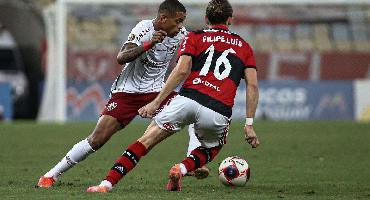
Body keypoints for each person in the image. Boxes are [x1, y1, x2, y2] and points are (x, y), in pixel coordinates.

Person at [86, 0, 260, 193]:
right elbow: (252, 85)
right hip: (218, 108)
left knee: (144, 142)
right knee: (211, 149)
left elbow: (180, 71)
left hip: (187, 99)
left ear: (206, 19)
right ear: (230, 20)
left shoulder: (195, 36)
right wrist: (249, 124)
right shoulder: (244, 46)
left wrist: (156, 102)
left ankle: (106, 184)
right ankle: (183, 168)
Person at [37, 0, 208, 188]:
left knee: (192, 108)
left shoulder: (182, 35)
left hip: (157, 92)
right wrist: (148, 44)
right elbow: (121, 57)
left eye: (182, 21)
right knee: (97, 139)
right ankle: (50, 175)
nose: (180, 26)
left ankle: (192, 162)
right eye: (177, 21)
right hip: (127, 92)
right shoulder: (143, 28)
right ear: (163, 18)